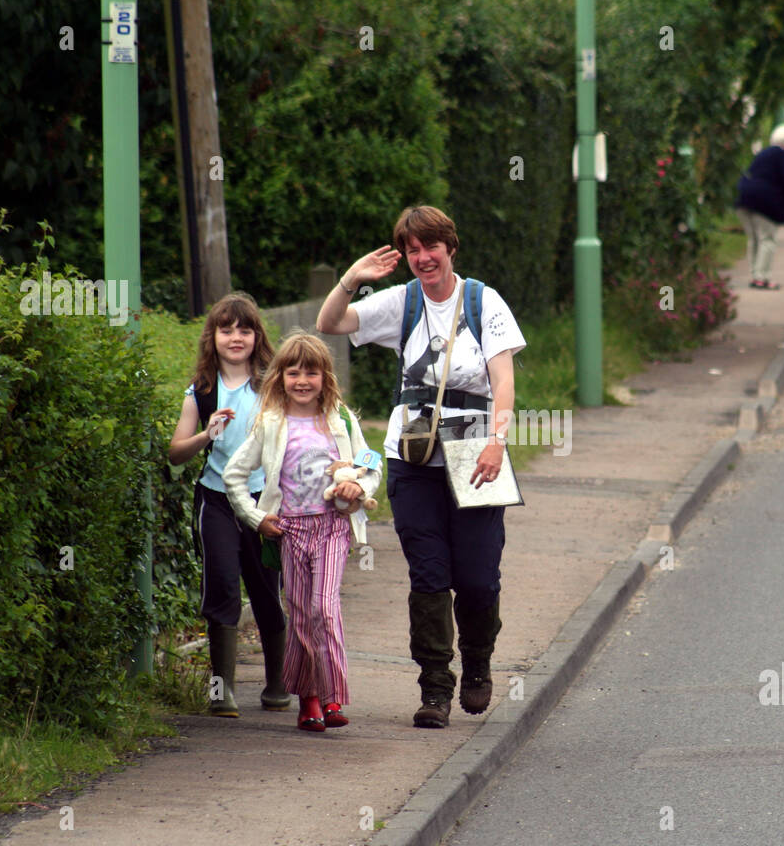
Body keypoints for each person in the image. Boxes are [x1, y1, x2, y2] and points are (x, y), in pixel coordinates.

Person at [316, 205, 526, 728]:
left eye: (430, 247)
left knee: (478, 577)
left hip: (475, 452)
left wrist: (497, 441)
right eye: (412, 250)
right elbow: (330, 323)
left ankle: (477, 662)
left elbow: (503, 380)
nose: (422, 258)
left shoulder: (482, 300)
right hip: (411, 456)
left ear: (450, 247)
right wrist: (351, 280)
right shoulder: (403, 301)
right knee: (428, 576)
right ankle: (434, 687)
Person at [222, 331, 380, 732]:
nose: (303, 381)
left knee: (324, 608)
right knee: (301, 615)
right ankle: (307, 698)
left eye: (312, 372)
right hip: (289, 532)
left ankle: (333, 697)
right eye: (294, 373)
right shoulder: (271, 424)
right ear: (280, 378)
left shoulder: (341, 419)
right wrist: (257, 518)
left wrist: (359, 486)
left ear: (326, 377)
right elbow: (234, 475)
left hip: (331, 529)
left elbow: (371, 464)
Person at [167, 292, 288, 717]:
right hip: (216, 500)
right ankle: (222, 692)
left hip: (265, 501)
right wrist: (206, 435)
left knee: (267, 589)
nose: (235, 337)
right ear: (212, 337)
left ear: (257, 336)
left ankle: (277, 684)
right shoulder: (200, 391)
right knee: (221, 587)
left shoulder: (275, 385)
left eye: (244, 329)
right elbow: (176, 451)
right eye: (226, 329)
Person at [736, 124, 784, 290]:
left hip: (743, 198)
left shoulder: (763, 153)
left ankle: (754, 274)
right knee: (768, 239)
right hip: (764, 202)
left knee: (754, 239)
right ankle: (762, 278)